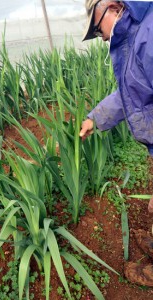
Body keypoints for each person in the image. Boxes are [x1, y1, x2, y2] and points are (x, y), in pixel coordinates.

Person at [80, 0, 153, 286]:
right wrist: (95, 119)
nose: (104, 38)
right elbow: (132, 93)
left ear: (112, 7)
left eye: (99, 30)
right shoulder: (134, 36)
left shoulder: (148, 33)